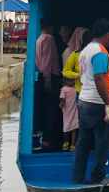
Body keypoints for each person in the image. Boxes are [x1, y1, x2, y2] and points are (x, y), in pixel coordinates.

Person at [72, 18, 109, 184]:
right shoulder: (99, 52)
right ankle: (98, 178)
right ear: (108, 34)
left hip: (84, 101)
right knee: (103, 142)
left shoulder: (85, 50)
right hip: (98, 104)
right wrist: (108, 104)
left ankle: (77, 177)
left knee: (83, 142)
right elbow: (99, 78)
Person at [35, 20, 63, 151]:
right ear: (49, 26)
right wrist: (48, 80)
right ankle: (49, 140)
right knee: (52, 110)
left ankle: (44, 139)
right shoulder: (49, 39)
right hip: (50, 77)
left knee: (46, 109)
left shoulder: (39, 39)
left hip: (43, 76)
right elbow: (47, 61)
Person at [59, 26, 89, 151]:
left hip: (84, 92)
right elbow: (65, 71)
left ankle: (76, 144)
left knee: (78, 120)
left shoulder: (93, 54)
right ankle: (74, 144)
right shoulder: (73, 54)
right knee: (78, 120)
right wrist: (79, 75)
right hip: (79, 92)